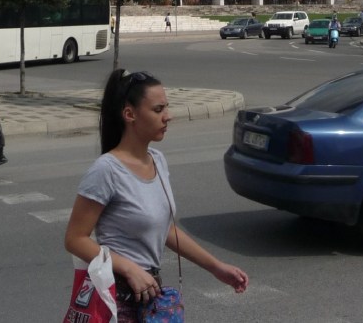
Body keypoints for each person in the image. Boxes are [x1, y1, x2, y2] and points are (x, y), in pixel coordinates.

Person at [65, 69, 248, 322]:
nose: (168, 116)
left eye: (167, 108)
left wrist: (216, 267)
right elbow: (75, 239)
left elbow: (166, 229)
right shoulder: (106, 170)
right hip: (116, 298)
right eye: (158, 109)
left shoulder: (158, 161)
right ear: (130, 114)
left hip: (149, 294)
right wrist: (130, 269)